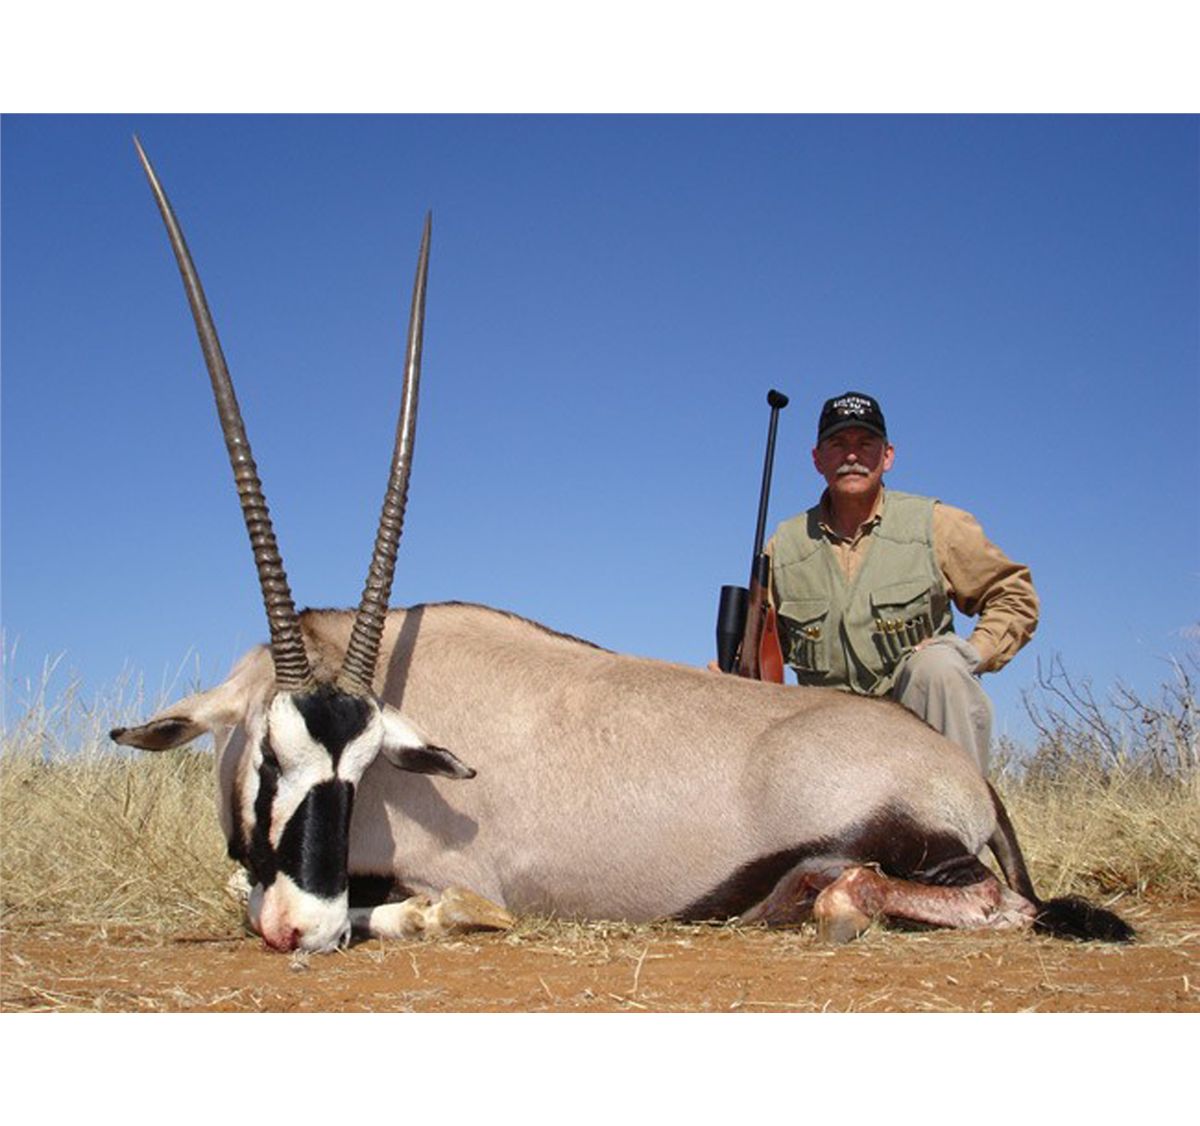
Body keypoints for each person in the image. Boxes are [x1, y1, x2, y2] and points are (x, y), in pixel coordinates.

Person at [766, 391, 1039, 774]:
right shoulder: (784, 546)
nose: (851, 456)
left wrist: (972, 653)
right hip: (826, 736)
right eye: (837, 444)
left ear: (888, 455)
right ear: (817, 459)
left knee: (939, 668)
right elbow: (760, 653)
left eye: (865, 444)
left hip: (916, 731)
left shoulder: (936, 524)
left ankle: (962, 810)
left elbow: (1013, 595)